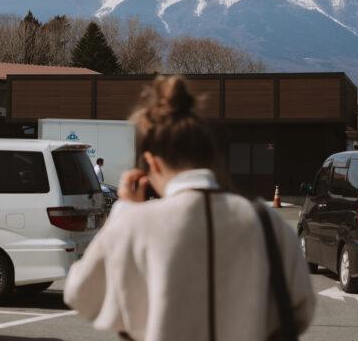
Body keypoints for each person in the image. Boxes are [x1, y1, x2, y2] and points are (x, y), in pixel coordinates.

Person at [65, 76, 315, 341]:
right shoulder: (267, 223)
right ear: (208, 155)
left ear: (151, 162)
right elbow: (302, 308)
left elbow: (79, 292)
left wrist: (123, 212)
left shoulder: (135, 223)